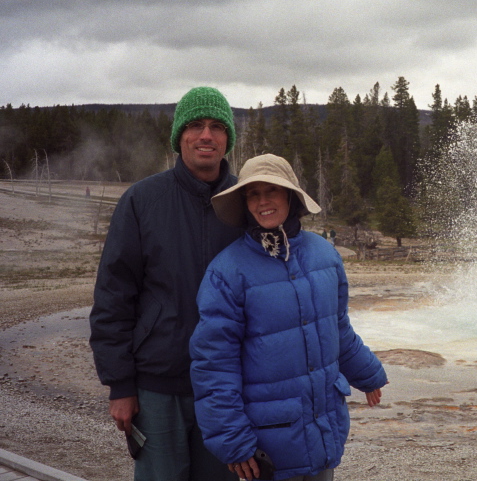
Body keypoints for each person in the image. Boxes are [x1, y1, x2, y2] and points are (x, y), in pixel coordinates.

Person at [190, 154, 388, 481]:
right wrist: (234, 442)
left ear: (290, 197)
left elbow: (337, 329)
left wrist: (368, 373)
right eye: (253, 193)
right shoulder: (226, 273)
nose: (263, 201)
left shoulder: (325, 255)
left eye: (273, 190)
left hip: (324, 426)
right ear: (244, 202)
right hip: (269, 445)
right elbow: (213, 365)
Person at [89, 87, 243, 481]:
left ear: (228, 138)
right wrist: (120, 384)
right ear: (179, 137)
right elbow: (113, 297)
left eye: (215, 126)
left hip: (227, 387)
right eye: (195, 126)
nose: (205, 135)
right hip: (156, 388)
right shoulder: (143, 200)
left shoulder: (246, 201)